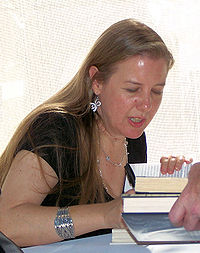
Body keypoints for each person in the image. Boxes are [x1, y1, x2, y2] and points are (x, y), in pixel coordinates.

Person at [0, 18, 190, 247]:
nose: (147, 104)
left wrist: (169, 184)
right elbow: (7, 226)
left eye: (157, 91)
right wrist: (105, 214)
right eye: (132, 89)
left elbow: (111, 237)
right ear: (97, 81)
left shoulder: (133, 140)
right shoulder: (56, 131)